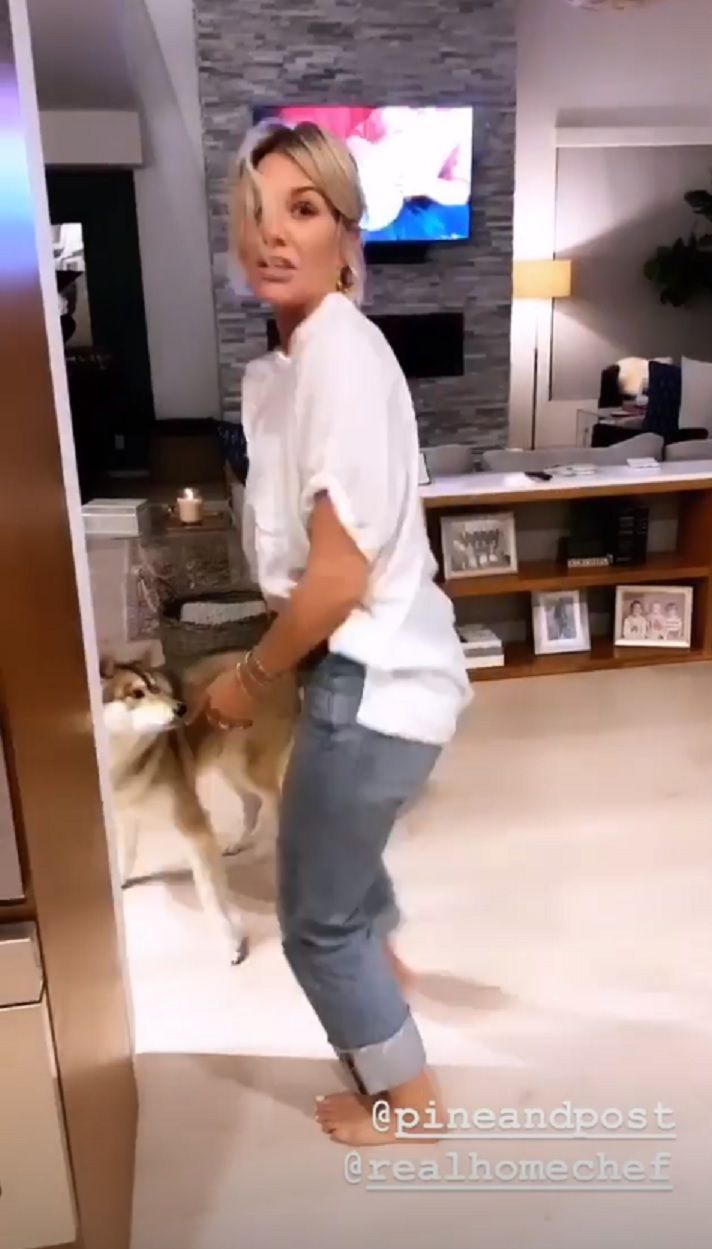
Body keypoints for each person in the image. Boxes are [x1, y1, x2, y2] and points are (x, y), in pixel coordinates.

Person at [201, 120, 471, 1146]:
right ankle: (381, 963)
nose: (273, 233)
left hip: (371, 679)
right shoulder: (297, 360)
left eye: (303, 210)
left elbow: (336, 576)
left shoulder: (339, 363)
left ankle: (410, 1102)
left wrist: (248, 677)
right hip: (364, 671)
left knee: (313, 922)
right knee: (336, 861)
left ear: (347, 236)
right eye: (256, 214)